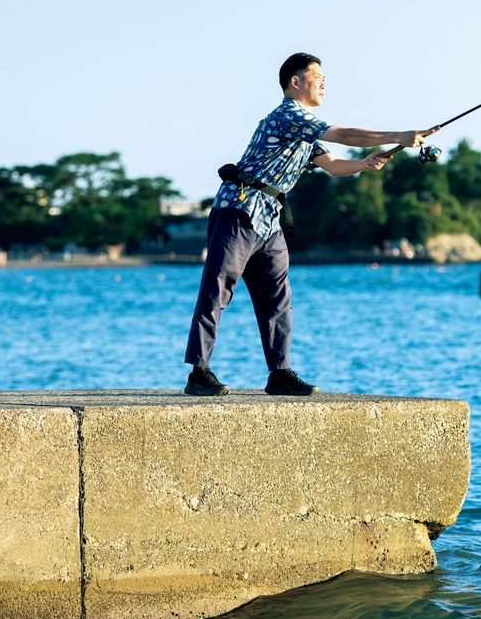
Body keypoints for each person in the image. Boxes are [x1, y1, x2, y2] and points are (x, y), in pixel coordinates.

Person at [183, 53, 437, 397]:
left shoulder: (305, 132)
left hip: (269, 219)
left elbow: (333, 165)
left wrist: (364, 163)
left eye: (324, 77)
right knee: (217, 288)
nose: (323, 82)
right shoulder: (289, 114)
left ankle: (280, 374)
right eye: (316, 76)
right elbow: (344, 134)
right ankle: (199, 372)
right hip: (240, 209)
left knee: (277, 299)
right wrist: (400, 135)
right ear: (295, 82)